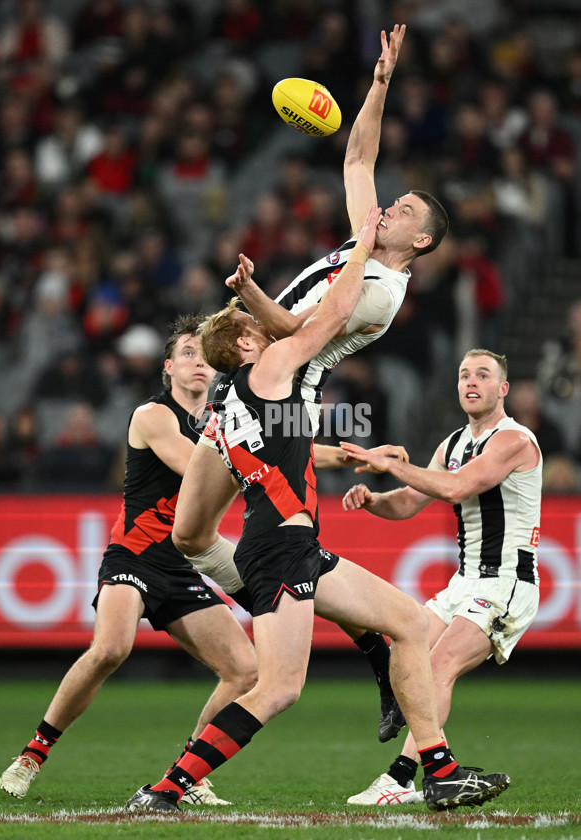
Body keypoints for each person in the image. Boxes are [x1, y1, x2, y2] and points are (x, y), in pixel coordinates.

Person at [126, 208, 510, 814]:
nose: (263, 329)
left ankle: (437, 768)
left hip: (290, 545)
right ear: (250, 345)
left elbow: (291, 451)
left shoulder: (236, 413)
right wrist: (360, 251)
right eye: (253, 327)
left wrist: (357, 454)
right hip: (279, 546)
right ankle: (168, 788)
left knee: (408, 622)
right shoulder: (275, 368)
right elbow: (330, 316)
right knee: (279, 687)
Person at [218, 23, 448, 741]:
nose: (390, 207)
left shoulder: (377, 288)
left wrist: (253, 297)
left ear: (422, 243)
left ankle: (379, 646)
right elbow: (357, 155)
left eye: (405, 210)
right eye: (396, 201)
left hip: (283, 406)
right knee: (198, 536)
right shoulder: (364, 245)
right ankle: (374, 644)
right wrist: (377, 86)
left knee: (284, 555)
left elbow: (296, 335)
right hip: (258, 393)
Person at [0, 315, 259, 806]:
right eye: (187, 353)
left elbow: (243, 461)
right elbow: (199, 468)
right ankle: (34, 753)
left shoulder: (223, 421)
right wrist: (263, 458)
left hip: (181, 565)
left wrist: (333, 455)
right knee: (111, 649)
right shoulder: (152, 415)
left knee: (247, 671)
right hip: (134, 557)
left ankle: (188, 774)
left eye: (206, 353)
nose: (198, 360)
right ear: (168, 368)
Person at [340, 348, 541, 805]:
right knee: (404, 657)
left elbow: (457, 487)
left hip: (505, 583)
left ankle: (400, 779)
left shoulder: (515, 440)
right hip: (464, 583)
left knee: (435, 668)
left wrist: (391, 463)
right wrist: (374, 499)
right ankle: (427, 772)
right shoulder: (451, 445)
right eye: (465, 374)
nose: (472, 382)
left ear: (502, 389)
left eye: (483, 375)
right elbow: (409, 502)